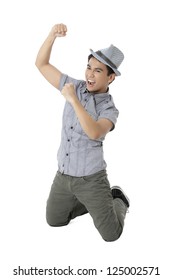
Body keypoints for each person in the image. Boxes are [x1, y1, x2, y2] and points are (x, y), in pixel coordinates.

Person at [35, 23, 130, 242]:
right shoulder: (74, 86)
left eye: (98, 70)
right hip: (63, 176)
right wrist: (51, 36)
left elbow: (94, 132)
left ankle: (117, 201)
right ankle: (93, 206)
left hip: (91, 180)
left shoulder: (109, 108)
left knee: (111, 235)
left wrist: (73, 100)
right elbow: (41, 64)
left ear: (110, 77)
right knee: (54, 221)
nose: (90, 74)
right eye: (89, 67)